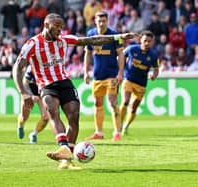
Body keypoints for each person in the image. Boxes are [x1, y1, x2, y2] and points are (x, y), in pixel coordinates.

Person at [13, 13, 136, 170]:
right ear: (46, 25)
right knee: (52, 111)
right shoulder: (33, 44)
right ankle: (63, 147)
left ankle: (66, 160)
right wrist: (23, 92)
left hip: (64, 82)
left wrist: (119, 37)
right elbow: (18, 67)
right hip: (46, 85)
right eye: (56, 26)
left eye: (61, 27)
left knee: (74, 116)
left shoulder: (63, 40)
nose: (60, 30)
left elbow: (92, 40)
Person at [84, 11, 125, 142]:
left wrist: (120, 72)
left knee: (112, 102)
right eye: (99, 21)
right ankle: (99, 132)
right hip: (97, 75)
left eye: (104, 21)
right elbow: (88, 54)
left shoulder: (114, 35)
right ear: (95, 21)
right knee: (97, 103)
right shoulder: (90, 34)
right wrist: (86, 71)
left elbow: (121, 54)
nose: (101, 23)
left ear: (107, 21)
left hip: (111, 75)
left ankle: (117, 131)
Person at [120, 30, 159, 136]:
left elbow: (156, 69)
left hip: (141, 84)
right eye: (145, 40)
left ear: (152, 42)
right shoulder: (132, 49)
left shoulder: (153, 55)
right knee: (125, 101)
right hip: (128, 79)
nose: (147, 43)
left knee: (133, 107)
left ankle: (126, 126)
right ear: (140, 40)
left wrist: (154, 75)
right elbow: (121, 56)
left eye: (149, 41)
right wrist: (120, 69)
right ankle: (119, 123)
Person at [17, 65, 49, 144]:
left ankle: (34, 134)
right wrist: (30, 95)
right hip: (29, 91)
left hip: (41, 91)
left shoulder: (49, 66)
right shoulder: (31, 68)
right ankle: (20, 125)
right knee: (24, 116)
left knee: (46, 117)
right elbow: (25, 83)